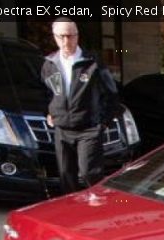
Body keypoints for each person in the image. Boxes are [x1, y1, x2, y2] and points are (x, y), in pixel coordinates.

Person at [41, 18, 120, 194]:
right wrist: (49, 111)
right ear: (55, 37)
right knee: (66, 175)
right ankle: (72, 215)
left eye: (70, 36)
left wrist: (103, 122)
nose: (66, 41)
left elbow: (112, 93)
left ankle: (99, 209)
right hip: (62, 129)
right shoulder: (49, 64)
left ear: (77, 36)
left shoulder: (92, 62)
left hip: (89, 129)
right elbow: (46, 92)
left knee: (88, 173)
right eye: (61, 36)